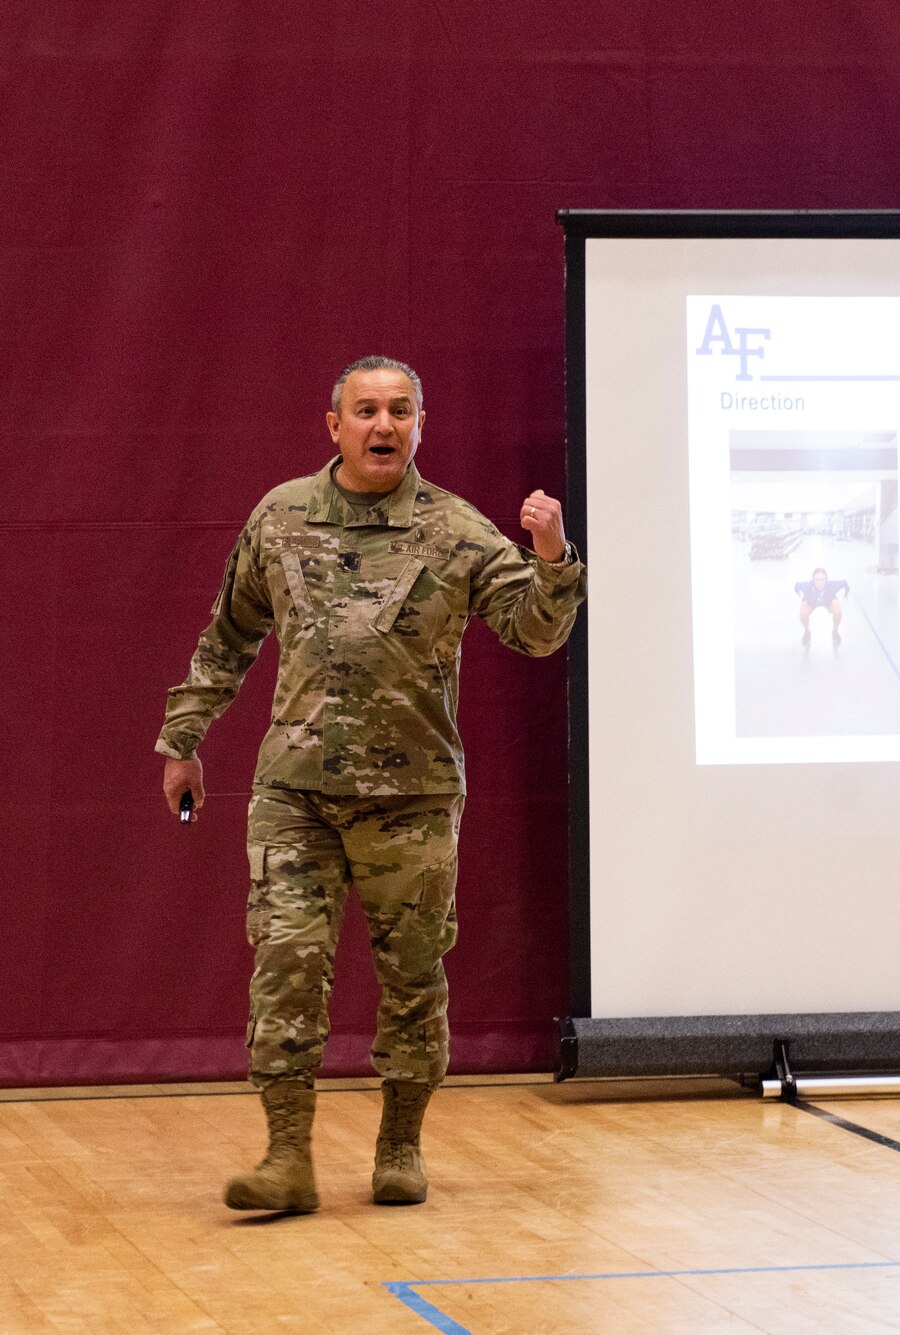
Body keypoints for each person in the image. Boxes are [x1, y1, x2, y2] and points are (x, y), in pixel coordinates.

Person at [156, 356, 586, 1213]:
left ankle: (400, 1144)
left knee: (414, 980)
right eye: (365, 411)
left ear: (422, 423)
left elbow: (534, 634)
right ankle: (287, 1156)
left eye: (399, 411)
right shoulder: (280, 518)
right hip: (295, 796)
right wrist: (183, 738)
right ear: (334, 425)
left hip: (413, 802)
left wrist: (552, 559)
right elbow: (228, 634)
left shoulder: (455, 530)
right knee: (285, 967)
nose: (382, 426)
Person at [794, 567, 849, 646]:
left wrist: (846, 593)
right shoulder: (806, 587)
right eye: (816, 580)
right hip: (811, 602)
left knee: (837, 610)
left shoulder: (833, 586)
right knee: (802, 613)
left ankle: (835, 631)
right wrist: (799, 595)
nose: (819, 583)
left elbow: (844, 583)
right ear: (812, 579)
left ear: (827, 579)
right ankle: (807, 631)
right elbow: (796, 586)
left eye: (822, 579)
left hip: (828, 601)